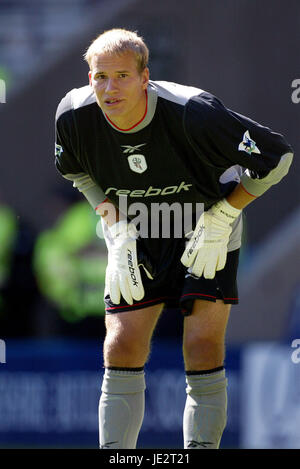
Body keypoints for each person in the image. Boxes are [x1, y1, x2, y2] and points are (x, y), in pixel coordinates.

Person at [54, 28, 293, 449]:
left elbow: (277, 158)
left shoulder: (193, 111)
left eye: (122, 76)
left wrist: (225, 215)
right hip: (137, 231)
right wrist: (113, 224)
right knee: (121, 343)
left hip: (207, 228)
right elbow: (77, 172)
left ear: (146, 77)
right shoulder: (72, 114)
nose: (109, 88)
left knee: (201, 346)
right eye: (99, 77)